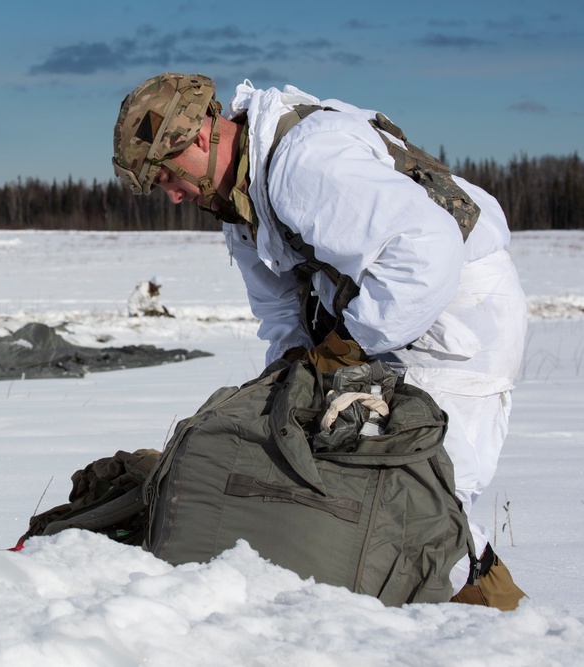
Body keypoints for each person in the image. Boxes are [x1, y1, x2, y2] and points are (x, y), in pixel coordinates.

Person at [112, 73, 527, 609]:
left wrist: (346, 347)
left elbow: (428, 252)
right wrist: (291, 376)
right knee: (373, 477)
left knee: (428, 489)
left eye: (166, 175)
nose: (170, 195)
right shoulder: (239, 200)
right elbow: (279, 309)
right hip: (389, 318)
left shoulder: (303, 163)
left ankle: (495, 620)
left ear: (199, 138)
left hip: (456, 321)